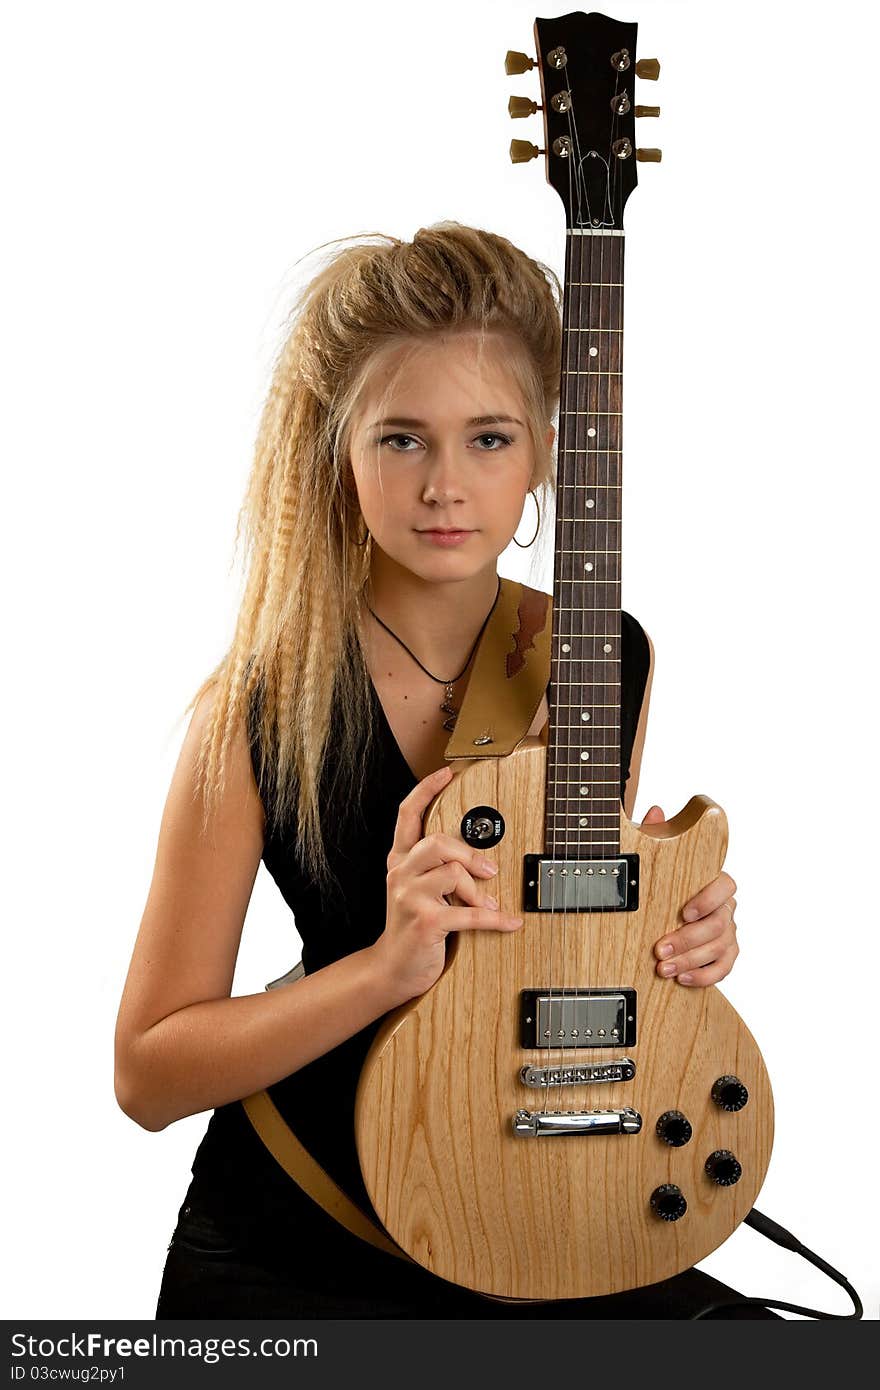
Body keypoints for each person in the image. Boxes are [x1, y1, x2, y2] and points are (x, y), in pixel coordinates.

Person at [115, 222, 764, 1319]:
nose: (446, 486)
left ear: (550, 450)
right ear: (339, 451)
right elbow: (146, 1072)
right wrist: (385, 965)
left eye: (491, 439)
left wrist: (670, 935)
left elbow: (562, 949)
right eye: (403, 440)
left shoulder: (604, 651)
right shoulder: (256, 708)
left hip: (536, 1198)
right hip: (298, 1237)